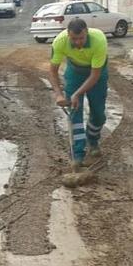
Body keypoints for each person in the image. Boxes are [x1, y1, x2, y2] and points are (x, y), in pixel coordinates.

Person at [48, 18, 109, 171]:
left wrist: (77, 93)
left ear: (86, 33)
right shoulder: (60, 42)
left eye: (81, 38)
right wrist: (58, 94)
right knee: (75, 113)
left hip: (97, 74)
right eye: (74, 39)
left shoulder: (99, 40)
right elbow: (53, 71)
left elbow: (95, 75)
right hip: (75, 72)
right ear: (68, 35)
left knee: (98, 113)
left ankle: (93, 139)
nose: (78, 42)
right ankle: (78, 156)